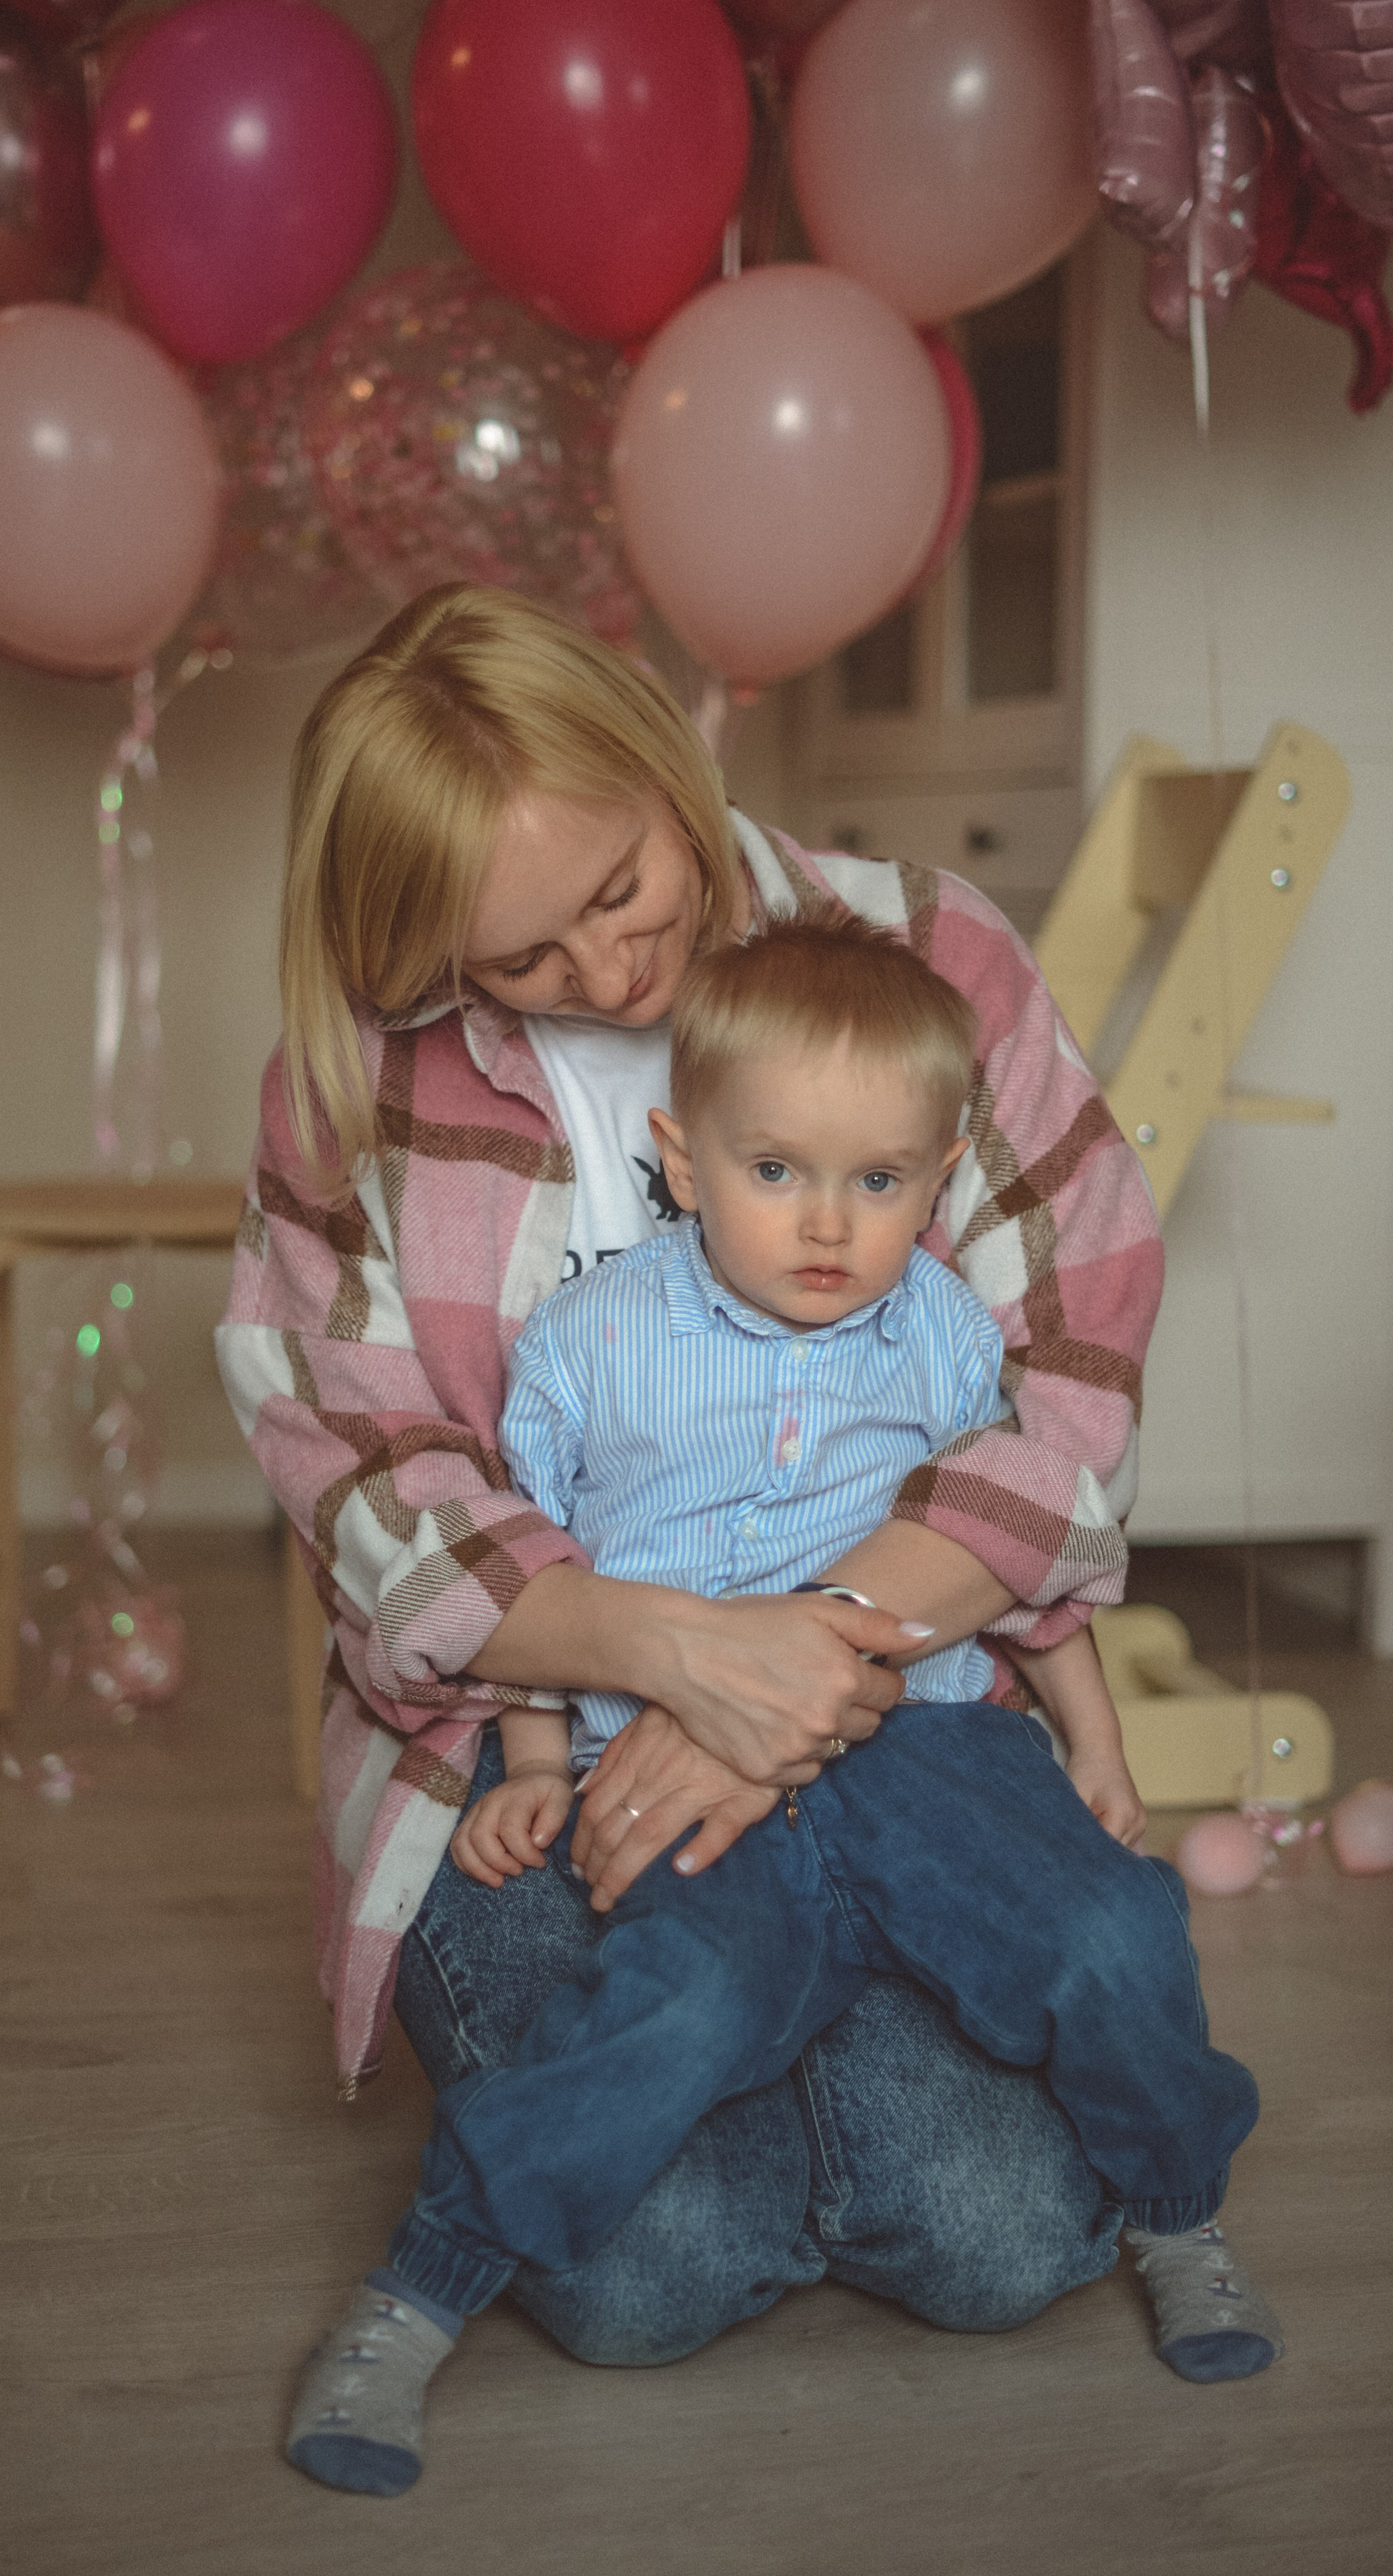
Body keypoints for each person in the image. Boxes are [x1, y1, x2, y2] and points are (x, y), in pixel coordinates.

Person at [217, 582, 1163, 2384]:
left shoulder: (921, 949)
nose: (605, 974)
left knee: (1001, 2237)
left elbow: (1071, 1346)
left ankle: (800, 2068)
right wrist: (658, 1654)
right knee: (649, 2269)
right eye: (521, 961)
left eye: (616, 892)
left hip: (893, 1716)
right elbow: (358, 1461)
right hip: (524, 1742)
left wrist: (807, 1654)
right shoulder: (351, 1078)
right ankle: (738, 2094)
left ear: (661, 763)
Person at [283, 922, 1278, 2495]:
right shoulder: (589, 1342)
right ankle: (424, 2284)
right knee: (680, 2006)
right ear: (680, 1158)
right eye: (775, 1172)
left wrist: (1087, 1733)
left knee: (1113, 1929)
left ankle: (1176, 2206)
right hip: (675, 1771)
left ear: (937, 1177)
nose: (825, 1221)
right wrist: (531, 1762)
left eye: (878, 1183)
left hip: (925, 1747)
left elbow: (1008, 1549)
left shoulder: (944, 1327)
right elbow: (537, 1553)